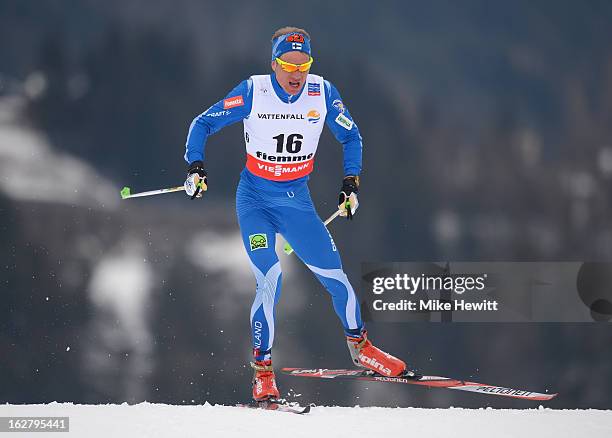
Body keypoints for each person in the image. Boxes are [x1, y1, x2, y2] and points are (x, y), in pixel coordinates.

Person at [183, 26, 407, 402]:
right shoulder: (254, 91)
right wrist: (195, 167)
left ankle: (362, 348)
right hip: (254, 203)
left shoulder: (322, 93)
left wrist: (351, 183)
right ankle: (263, 372)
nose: (296, 73)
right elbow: (202, 122)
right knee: (270, 282)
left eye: (303, 64)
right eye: (288, 63)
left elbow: (352, 136)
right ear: (274, 64)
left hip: (296, 204)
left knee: (337, 279)